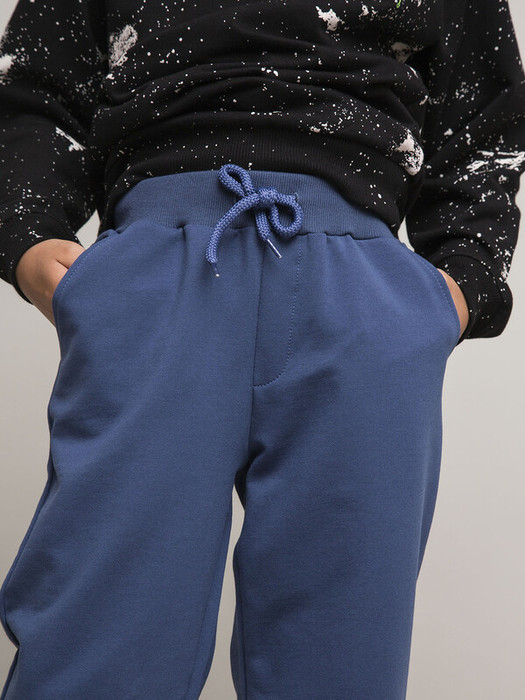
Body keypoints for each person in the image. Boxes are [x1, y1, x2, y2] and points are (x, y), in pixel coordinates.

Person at [0, 0, 524, 698]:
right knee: (98, 642)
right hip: (158, 263)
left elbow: (484, 109)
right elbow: (38, 83)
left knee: (341, 662)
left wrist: (460, 284)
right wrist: (30, 234)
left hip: (361, 289)